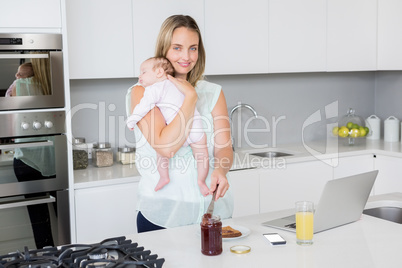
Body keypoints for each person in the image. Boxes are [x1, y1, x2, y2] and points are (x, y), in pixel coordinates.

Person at [126, 15, 234, 232]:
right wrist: (190, 97)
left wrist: (221, 171)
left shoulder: (213, 92)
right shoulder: (143, 92)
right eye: (177, 47)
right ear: (164, 49)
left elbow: (224, 147)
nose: (186, 56)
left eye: (193, 48)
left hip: (212, 214)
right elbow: (166, 147)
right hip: (162, 217)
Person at [127, 56, 209, 195]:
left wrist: (132, 119)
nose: (140, 76)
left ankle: (164, 177)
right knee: (202, 155)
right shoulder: (180, 84)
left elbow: (144, 106)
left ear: (159, 73)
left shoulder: (154, 89)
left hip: (177, 131)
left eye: (144, 72)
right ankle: (201, 181)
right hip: (195, 125)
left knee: (161, 154)